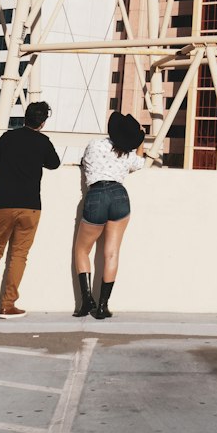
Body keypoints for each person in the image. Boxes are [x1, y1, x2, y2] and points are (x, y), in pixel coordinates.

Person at [0, 100, 60, 320]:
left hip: (4, 204)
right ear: (43, 122)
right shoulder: (43, 141)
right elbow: (54, 164)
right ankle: (7, 306)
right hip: (31, 207)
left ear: (24, 117)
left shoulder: (8, 137)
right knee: (19, 256)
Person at [73, 111, 146, 321]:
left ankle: (87, 301)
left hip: (97, 194)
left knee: (82, 250)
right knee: (112, 253)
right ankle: (103, 306)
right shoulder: (128, 154)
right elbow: (141, 163)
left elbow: (85, 164)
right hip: (120, 196)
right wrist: (137, 143)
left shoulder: (95, 145)